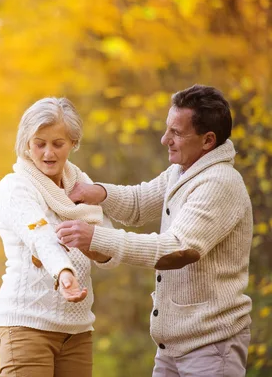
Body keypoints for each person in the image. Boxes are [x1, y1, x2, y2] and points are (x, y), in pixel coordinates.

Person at [56, 84, 252, 376]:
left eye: (177, 133)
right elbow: (139, 203)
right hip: (171, 349)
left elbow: (176, 250)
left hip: (211, 348)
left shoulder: (219, 183)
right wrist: (98, 192)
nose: (165, 140)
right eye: (166, 129)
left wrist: (96, 237)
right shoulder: (183, 170)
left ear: (208, 140)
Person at [0, 97, 116, 377]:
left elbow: (108, 243)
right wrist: (64, 272)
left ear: (73, 143)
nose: (48, 153)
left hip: (77, 330)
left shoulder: (82, 187)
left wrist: (96, 246)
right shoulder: (16, 187)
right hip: (27, 325)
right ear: (27, 143)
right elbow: (40, 235)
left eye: (58, 144)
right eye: (40, 143)